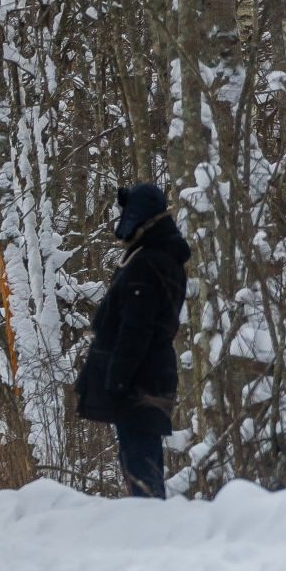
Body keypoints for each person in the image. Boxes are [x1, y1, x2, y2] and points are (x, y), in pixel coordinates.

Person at [74, 183, 190, 498]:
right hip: (151, 376)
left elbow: (136, 328)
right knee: (142, 461)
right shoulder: (160, 259)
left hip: (140, 382)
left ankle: (150, 534)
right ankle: (150, 530)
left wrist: (117, 379)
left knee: (140, 467)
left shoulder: (148, 262)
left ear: (140, 216)